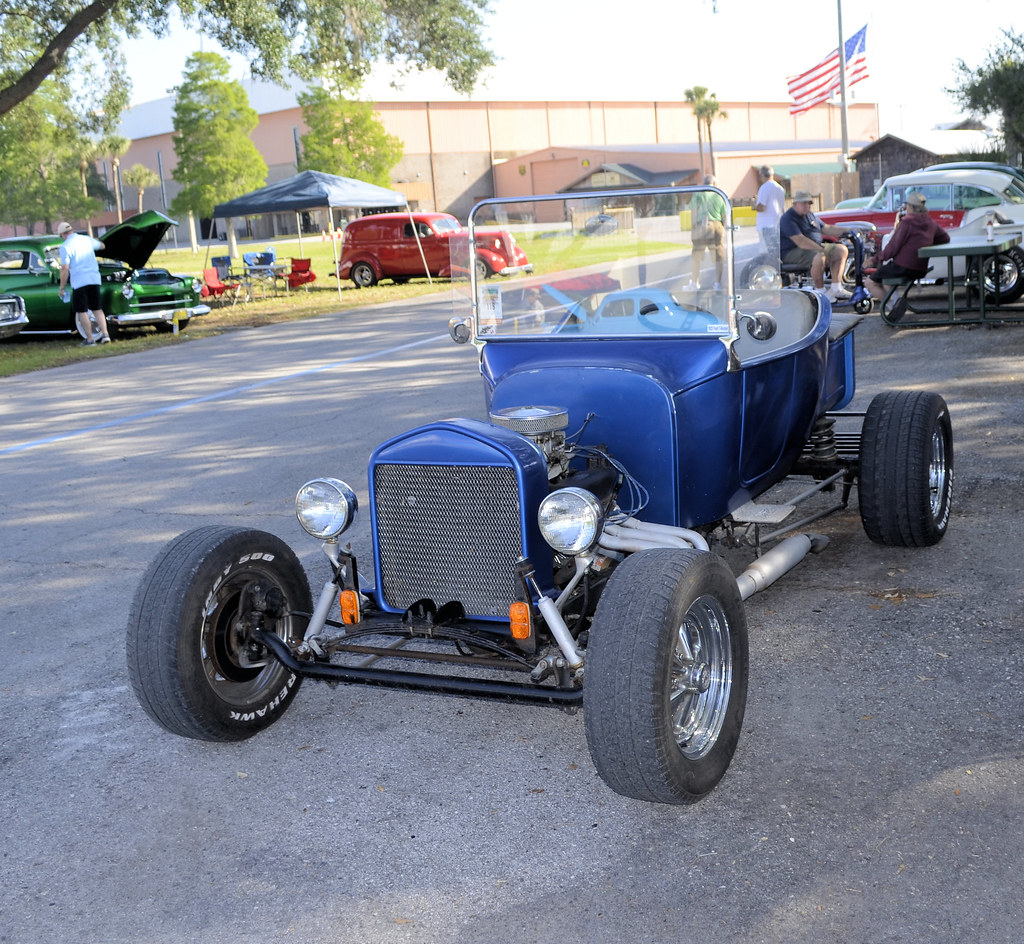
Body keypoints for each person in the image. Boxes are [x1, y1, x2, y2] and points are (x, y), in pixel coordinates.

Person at [866, 190, 950, 302]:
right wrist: (926, 243)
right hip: (920, 268)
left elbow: (893, 247)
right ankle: (895, 303)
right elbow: (945, 238)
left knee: (870, 282)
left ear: (910, 207)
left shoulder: (907, 222)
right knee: (886, 279)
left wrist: (874, 260)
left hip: (903, 267)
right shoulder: (930, 222)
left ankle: (894, 307)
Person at [779, 191, 851, 302]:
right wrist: (821, 249)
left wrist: (848, 230)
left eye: (809, 203)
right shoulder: (788, 218)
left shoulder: (810, 215)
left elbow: (826, 228)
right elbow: (800, 241)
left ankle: (836, 288)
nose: (807, 206)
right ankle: (820, 292)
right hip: (792, 251)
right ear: (795, 204)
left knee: (841, 250)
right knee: (819, 256)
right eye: (804, 203)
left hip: (814, 247)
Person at [57, 221, 111, 345]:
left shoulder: (65, 246)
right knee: (97, 308)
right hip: (94, 278)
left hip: (79, 281)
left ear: (63, 234)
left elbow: (65, 268)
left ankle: (90, 339)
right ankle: (105, 335)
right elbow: (102, 246)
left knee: (82, 311)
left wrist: (62, 287)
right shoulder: (86, 239)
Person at [687, 175, 727, 289]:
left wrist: (693, 228)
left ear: (704, 183)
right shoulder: (718, 194)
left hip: (703, 225)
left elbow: (694, 211)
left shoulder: (698, 193)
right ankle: (717, 283)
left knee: (697, 255)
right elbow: (724, 215)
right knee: (718, 256)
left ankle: (695, 282)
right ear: (714, 184)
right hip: (717, 225)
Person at [754, 165, 785, 259]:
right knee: (776, 251)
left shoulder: (764, 187)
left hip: (765, 225)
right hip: (777, 223)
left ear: (762, 175)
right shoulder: (779, 188)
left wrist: (755, 205)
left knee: (766, 253)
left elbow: (762, 207)